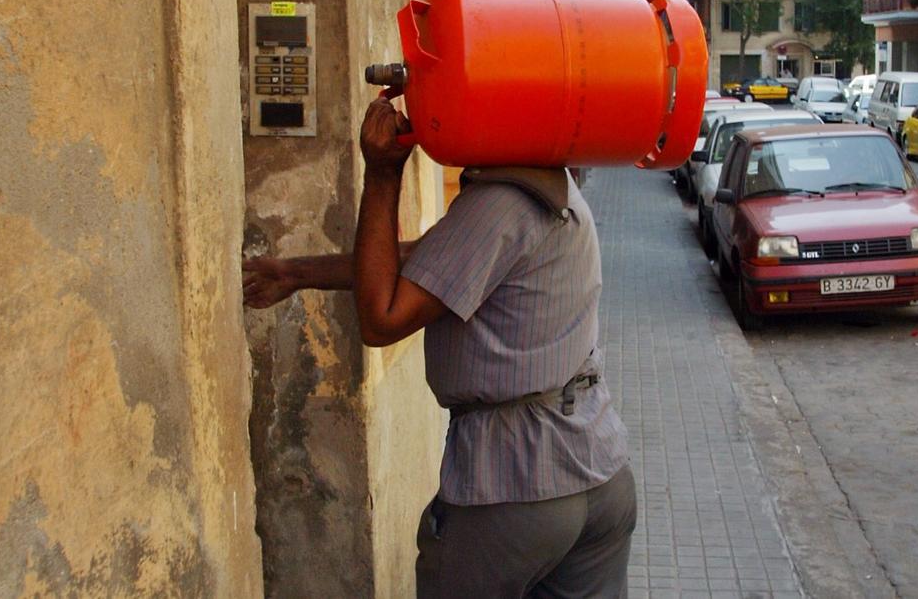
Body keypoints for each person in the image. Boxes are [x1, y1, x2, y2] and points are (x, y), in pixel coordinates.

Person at [243, 97, 635, 598]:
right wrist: (298, 273)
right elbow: (433, 262)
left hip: (516, 485)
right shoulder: (550, 187)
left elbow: (381, 319)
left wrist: (384, 174)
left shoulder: (500, 203)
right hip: (599, 472)